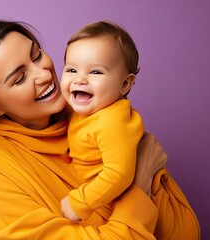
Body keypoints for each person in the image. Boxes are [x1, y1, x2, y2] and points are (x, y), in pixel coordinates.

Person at [0, 20, 200, 239]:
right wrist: (139, 179)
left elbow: (183, 231)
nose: (44, 73)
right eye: (19, 78)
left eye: (37, 54)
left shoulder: (87, 110)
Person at [60, 21, 144, 223]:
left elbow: (119, 174)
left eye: (95, 72)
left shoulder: (112, 120)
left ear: (125, 84)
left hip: (156, 211)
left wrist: (80, 203)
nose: (80, 79)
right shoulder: (82, 111)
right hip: (111, 202)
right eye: (71, 70)